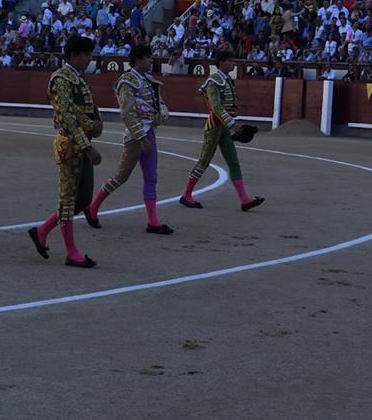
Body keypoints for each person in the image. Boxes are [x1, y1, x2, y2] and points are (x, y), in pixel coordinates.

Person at [28, 34, 103, 268]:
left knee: (82, 199)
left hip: (82, 143)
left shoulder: (78, 79)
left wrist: (98, 123)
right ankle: (71, 252)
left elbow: (89, 109)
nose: (89, 59)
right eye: (87, 55)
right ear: (74, 55)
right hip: (71, 146)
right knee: (69, 199)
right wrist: (88, 146)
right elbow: (67, 116)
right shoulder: (60, 79)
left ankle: (42, 231)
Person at [87, 43, 172, 235]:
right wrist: (141, 137)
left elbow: (158, 104)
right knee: (121, 176)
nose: (151, 61)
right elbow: (127, 112)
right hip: (136, 135)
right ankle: (92, 209)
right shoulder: (127, 81)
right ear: (138, 59)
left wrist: (161, 115)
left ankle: (153, 221)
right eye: (148, 58)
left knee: (151, 177)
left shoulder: (146, 80)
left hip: (148, 132)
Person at [178, 48, 264, 212]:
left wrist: (231, 123)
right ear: (222, 62)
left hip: (224, 126)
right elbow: (216, 107)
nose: (233, 63)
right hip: (215, 126)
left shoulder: (226, 79)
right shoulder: (214, 80)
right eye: (230, 60)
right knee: (204, 161)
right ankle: (186, 195)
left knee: (233, 161)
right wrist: (232, 123)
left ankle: (244, 199)